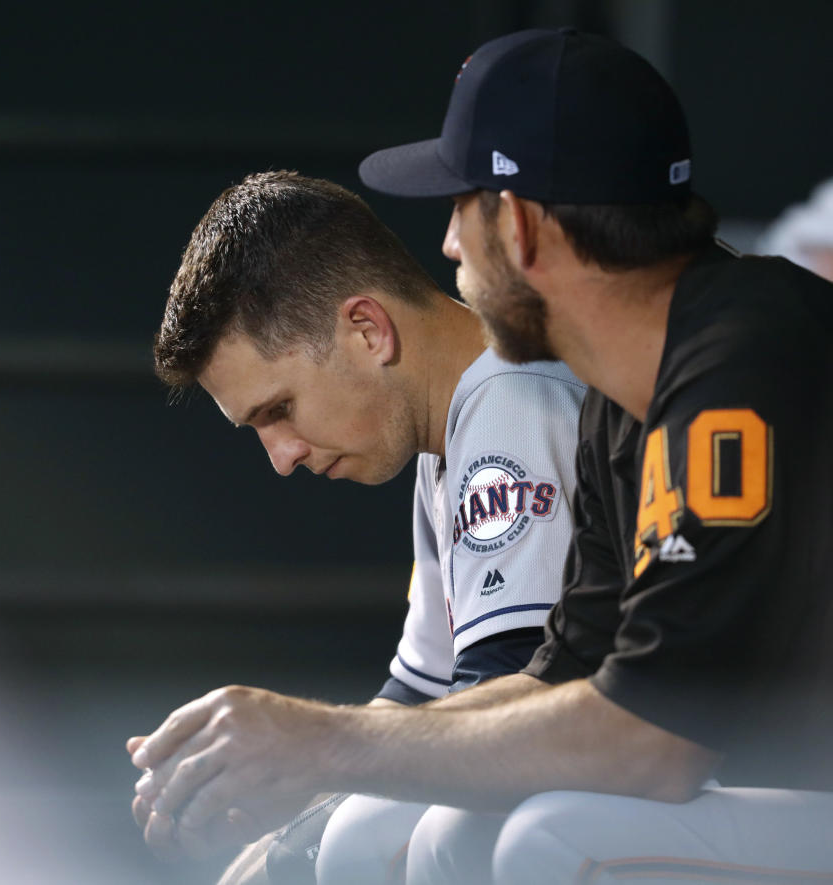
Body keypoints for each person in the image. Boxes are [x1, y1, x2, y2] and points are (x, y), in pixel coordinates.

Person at [131, 30, 833, 884]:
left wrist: (326, 747)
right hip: (830, 784)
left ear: (518, 225)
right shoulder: (625, 392)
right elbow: (564, 677)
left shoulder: (740, 362)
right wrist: (319, 758)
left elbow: (655, 745)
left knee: (556, 844)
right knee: (457, 842)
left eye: (459, 207)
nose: (445, 242)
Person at [134, 170, 586, 884]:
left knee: (377, 839)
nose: (281, 458)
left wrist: (309, 786)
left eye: (277, 409)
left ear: (367, 329)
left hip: (741, 752)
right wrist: (289, 792)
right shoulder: (453, 430)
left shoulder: (516, 402)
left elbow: (511, 707)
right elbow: (421, 695)